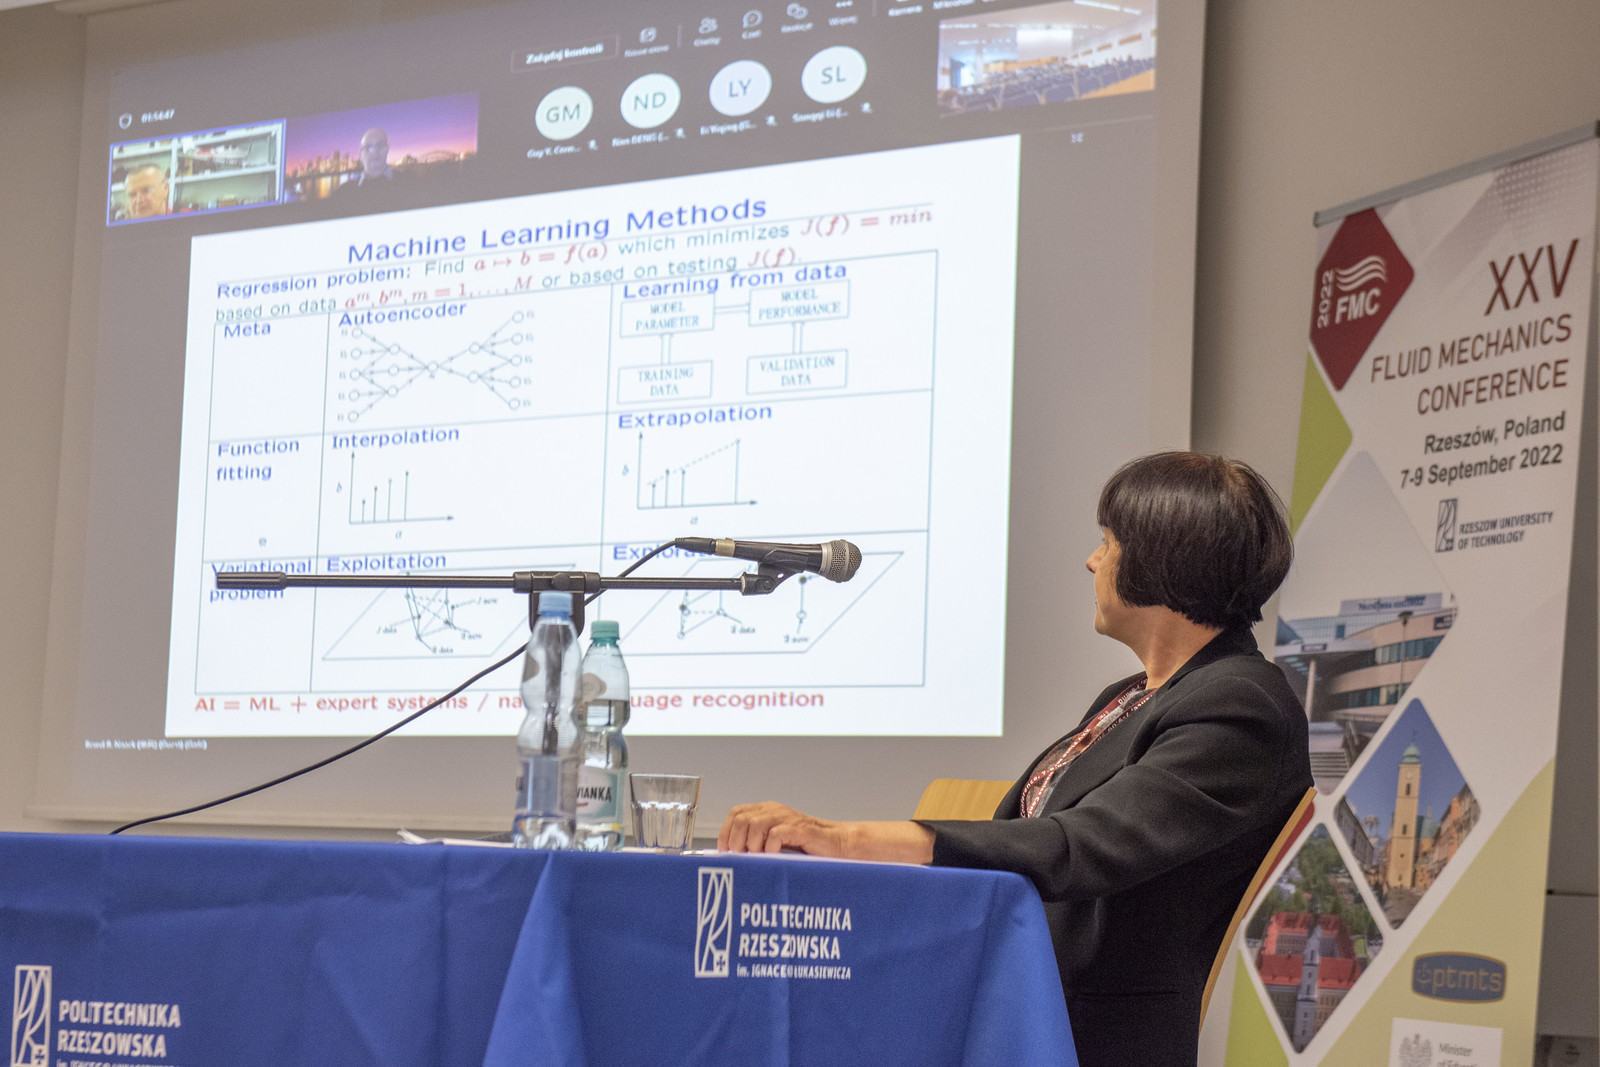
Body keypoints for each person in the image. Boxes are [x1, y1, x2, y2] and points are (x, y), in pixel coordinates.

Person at [718, 451, 1312, 1067]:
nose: (1092, 560)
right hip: (1010, 998)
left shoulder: (1241, 706)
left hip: (1080, 1030)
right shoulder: (1130, 697)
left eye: (1108, 542)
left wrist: (845, 839)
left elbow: (1078, 845)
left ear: (1163, 558)